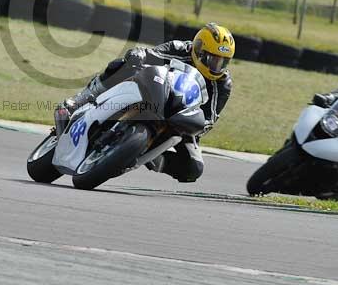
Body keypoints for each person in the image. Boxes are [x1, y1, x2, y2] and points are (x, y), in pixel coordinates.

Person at [54, 23, 235, 183]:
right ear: (199, 50)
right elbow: (149, 54)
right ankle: (80, 100)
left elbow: (210, 119)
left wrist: (193, 124)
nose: (216, 66)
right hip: (156, 91)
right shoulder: (179, 48)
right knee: (122, 64)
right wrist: (138, 55)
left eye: (222, 62)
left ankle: (152, 157)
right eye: (212, 59)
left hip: (181, 117)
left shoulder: (223, 84)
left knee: (193, 168)